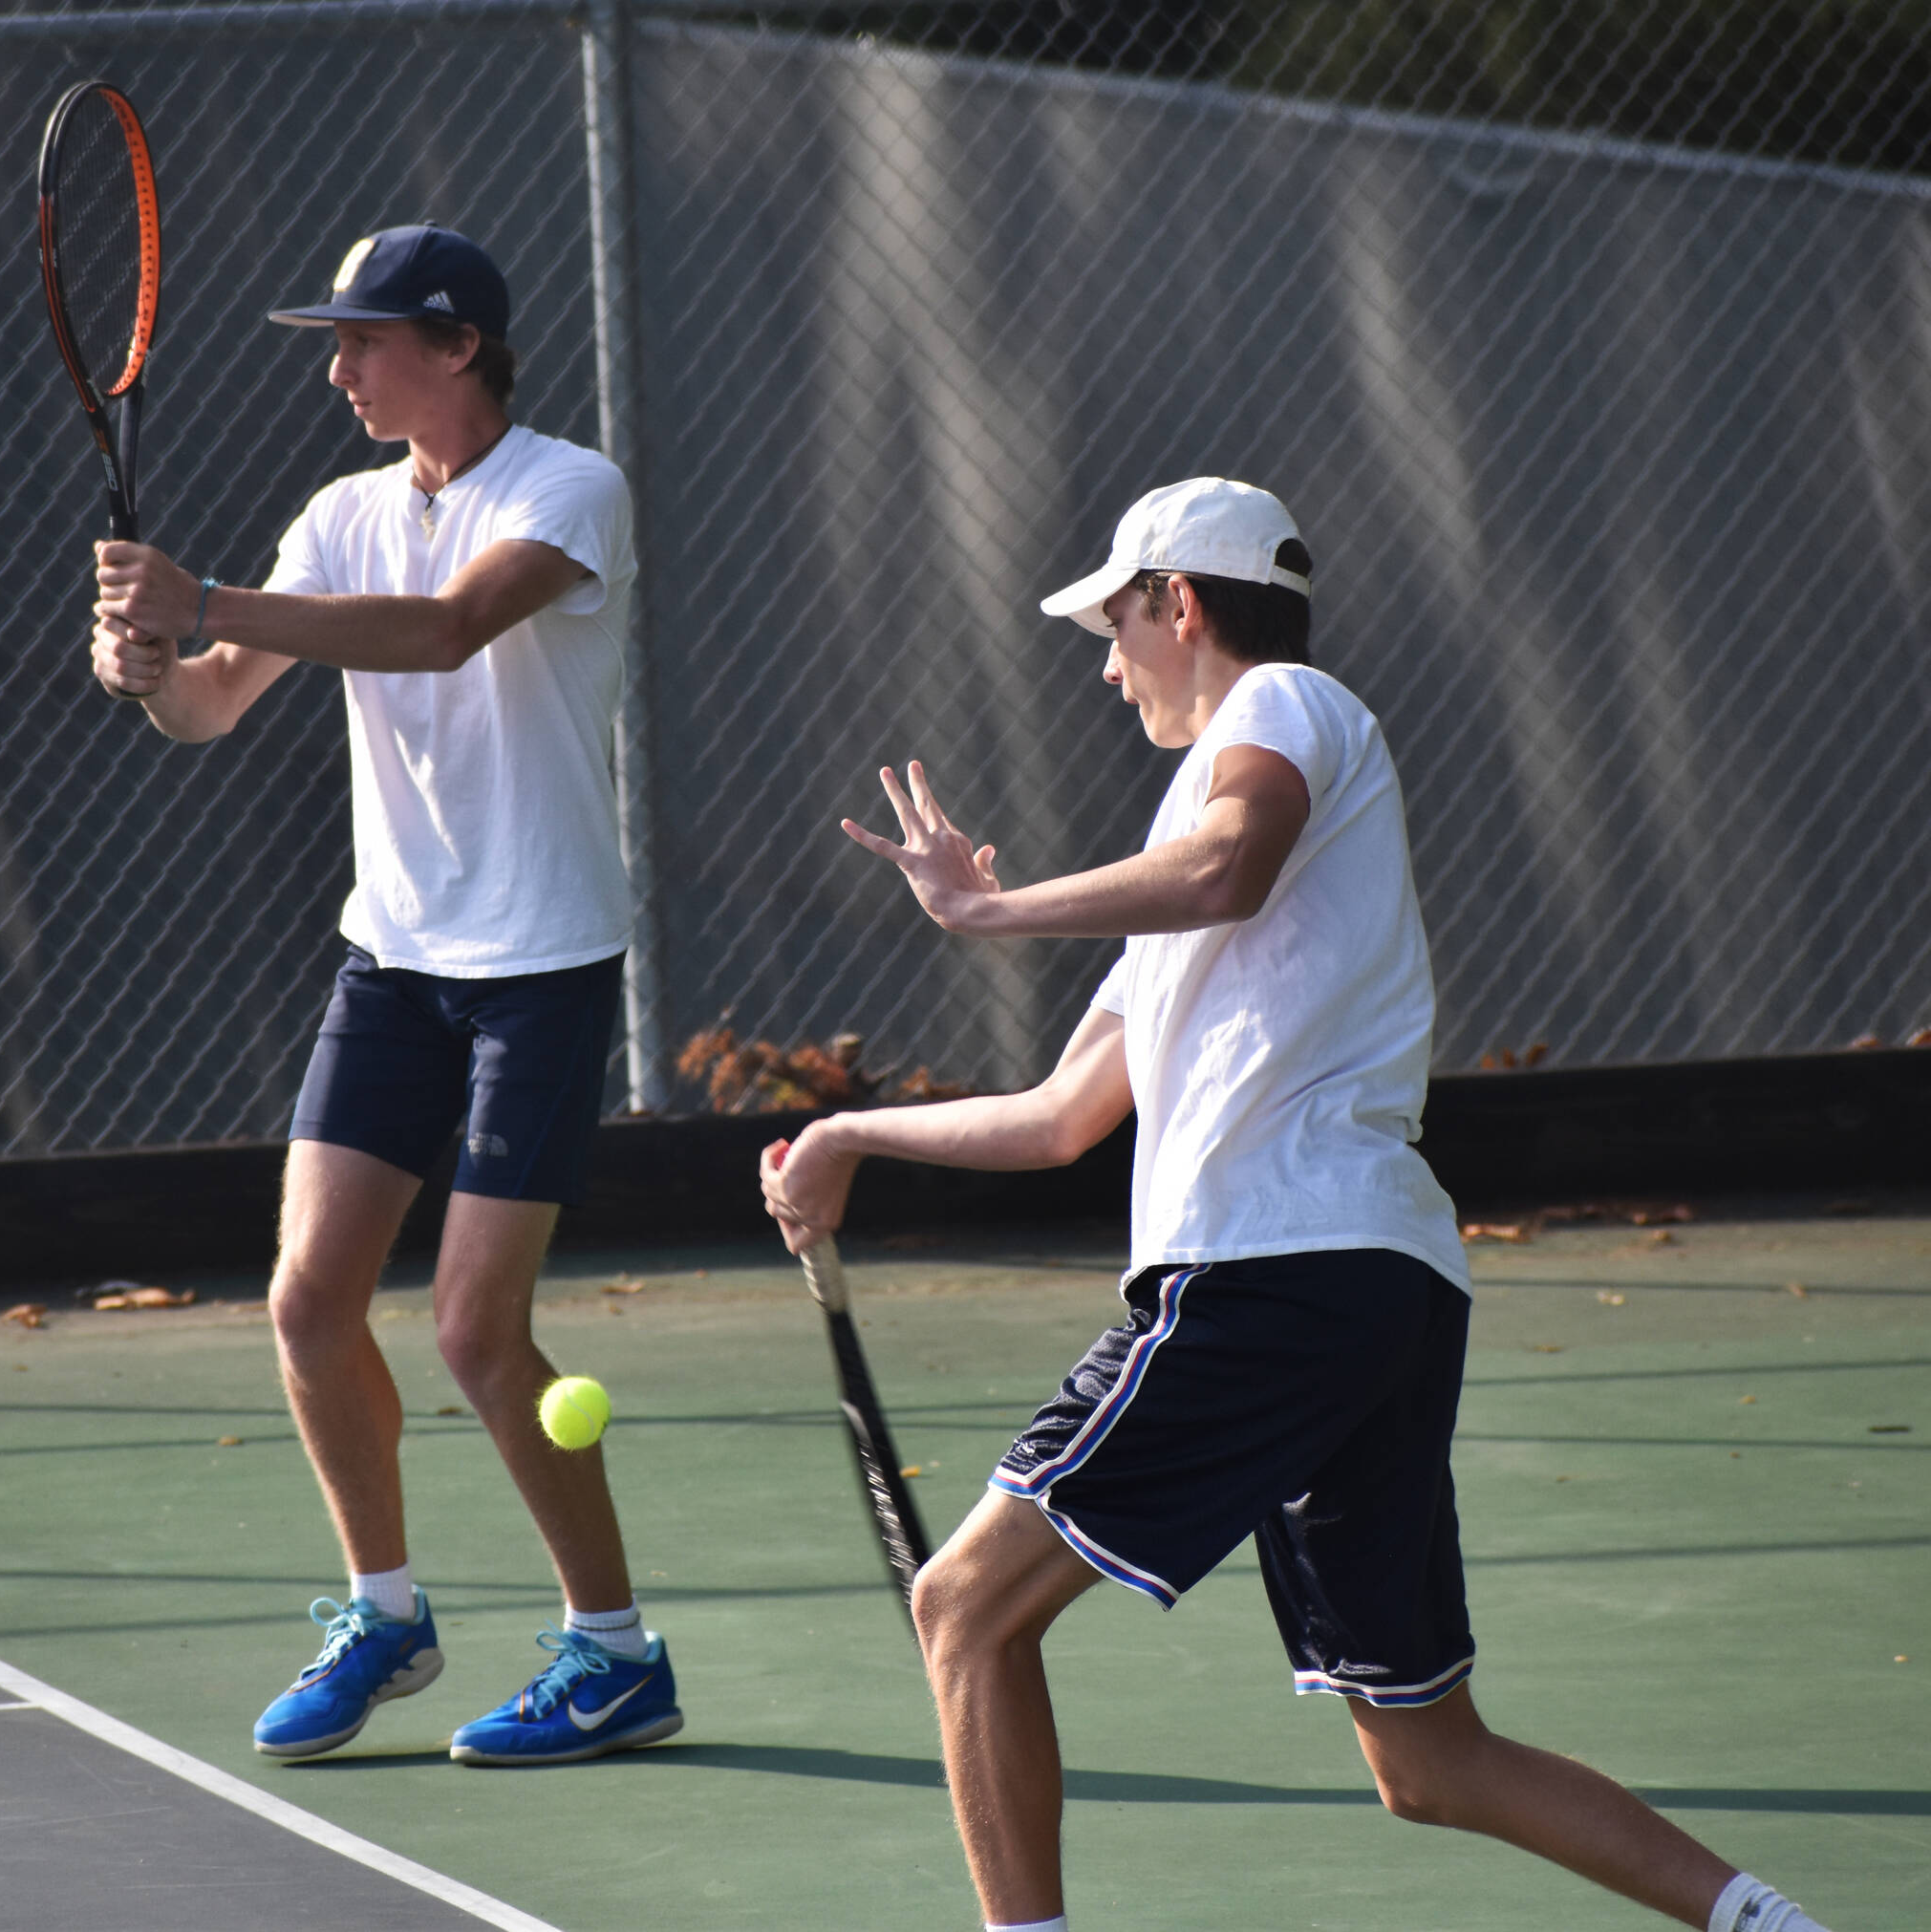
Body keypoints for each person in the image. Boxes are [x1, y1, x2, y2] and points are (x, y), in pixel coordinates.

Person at [759, 479, 1832, 1932]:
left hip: (1273, 1270)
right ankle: (1769, 1922)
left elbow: (1226, 862)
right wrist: (847, 1135)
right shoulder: (1192, 841)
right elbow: (1065, 1114)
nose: (1104, 659)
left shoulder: (1286, 709)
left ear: (1181, 604)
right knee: (1429, 1757)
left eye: (1117, 621)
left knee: (961, 1609)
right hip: (1378, 1288)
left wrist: (989, 910)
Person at [90, 224, 680, 1767]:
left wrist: (205, 593)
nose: (339, 368)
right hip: (393, 961)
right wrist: (154, 660)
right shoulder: (345, 513)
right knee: (304, 1299)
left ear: (459, 346)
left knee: (482, 1338)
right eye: (332, 342)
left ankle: (615, 1654)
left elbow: (439, 635)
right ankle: (387, 1613)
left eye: (364, 340)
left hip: (540, 967)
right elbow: (212, 708)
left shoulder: (569, 486)